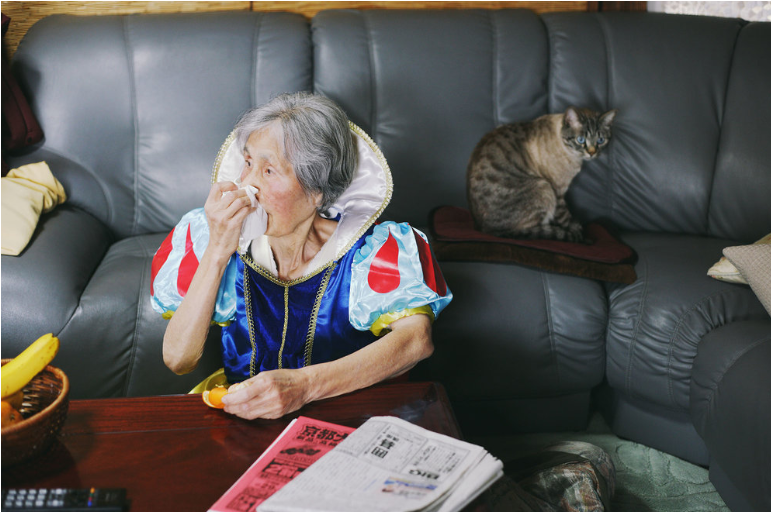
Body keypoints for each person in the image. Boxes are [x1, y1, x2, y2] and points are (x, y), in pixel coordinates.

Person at [151, 92, 452, 420]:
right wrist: (217, 252)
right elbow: (178, 359)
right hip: (246, 412)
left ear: (317, 190)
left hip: (347, 415)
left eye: (269, 171)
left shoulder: (374, 249)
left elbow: (416, 341)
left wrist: (305, 386)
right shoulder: (208, 235)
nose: (247, 186)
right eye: (248, 163)